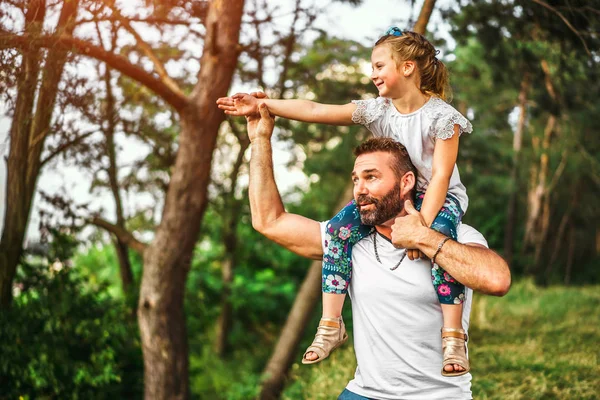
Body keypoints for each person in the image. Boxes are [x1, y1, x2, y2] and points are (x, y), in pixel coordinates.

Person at [218, 28, 474, 375]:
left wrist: (422, 226)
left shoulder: (442, 118)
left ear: (408, 67)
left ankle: (453, 335)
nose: (373, 74)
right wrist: (262, 105)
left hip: (437, 199)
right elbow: (314, 108)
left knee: (441, 242)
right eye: (373, 66)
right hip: (396, 196)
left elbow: (441, 177)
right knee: (338, 231)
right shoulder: (377, 111)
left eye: (380, 65)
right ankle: (331, 324)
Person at [245, 104, 510, 399]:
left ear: (406, 182)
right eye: (356, 179)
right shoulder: (346, 240)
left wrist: (424, 238)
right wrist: (259, 141)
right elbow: (268, 220)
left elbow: (496, 280)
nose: (359, 189)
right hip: (363, 393)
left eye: (371, 177)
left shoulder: (456, 235)